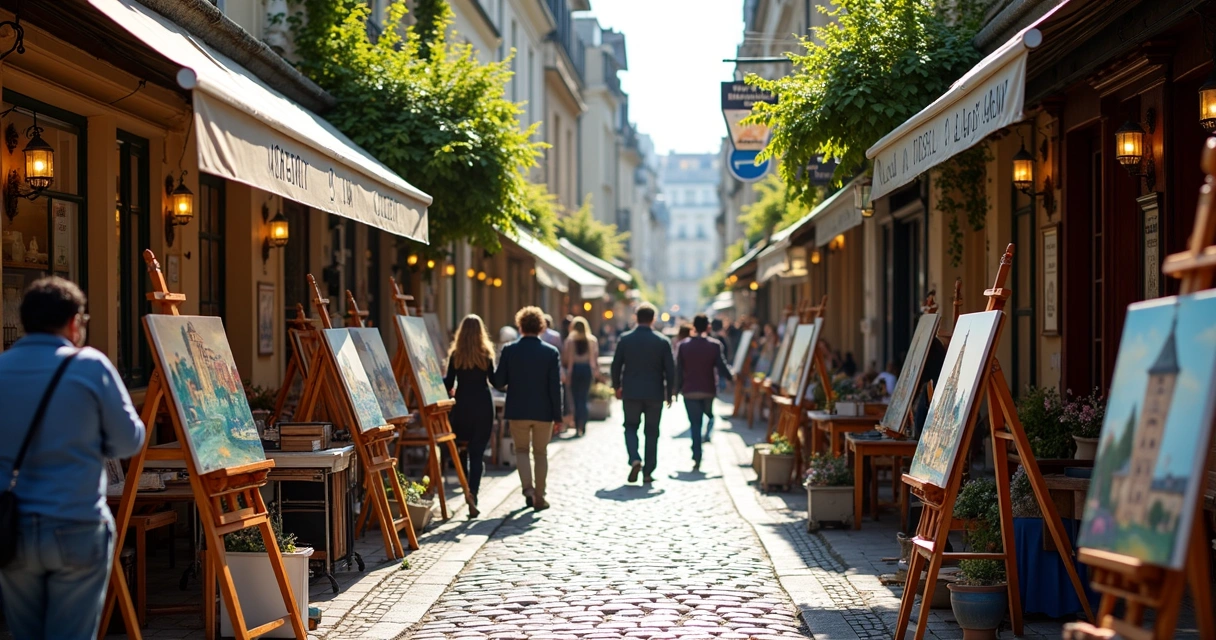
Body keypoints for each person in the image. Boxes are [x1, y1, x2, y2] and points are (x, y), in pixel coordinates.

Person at [0, 277, 146, 639]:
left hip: (12, 527)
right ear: (72, 322)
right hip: (76, 522)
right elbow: (129, 440)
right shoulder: (90, 367)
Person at [494, 306, 563, 510]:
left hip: (518, 410)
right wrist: (558, 416)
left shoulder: (509, 350)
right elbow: (555, 387)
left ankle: (528, 490)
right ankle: (540, 495)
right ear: (541, 326)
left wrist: (491, 369)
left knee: (522, 451)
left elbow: (499, 381)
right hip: (544, 411)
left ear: (520, 326)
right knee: (540, 453)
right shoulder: (550, 352)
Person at [610, 302, 675, 484]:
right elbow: (670, 370)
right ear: (653, 319)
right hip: (655, 393)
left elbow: (616, 365)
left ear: (636, 318)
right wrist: (670, 392)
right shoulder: (662, 341)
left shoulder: (625, 339)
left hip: (631, 392)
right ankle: (648, 471)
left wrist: (616, 386)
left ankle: (634, 458)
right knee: (652, 432)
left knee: (630, 427)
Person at [444, 315, 496, 518]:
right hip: (483, 405)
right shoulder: (486, 354)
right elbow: (495, 380)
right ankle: (473, 493)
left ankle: (466, 490)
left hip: (463, 406)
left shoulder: (456, 355)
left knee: (463, 452)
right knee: (477, 453)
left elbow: (449, 383)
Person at [675, 314, 733, 471]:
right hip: (708, 389)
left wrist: (675, 390)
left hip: (689, 390)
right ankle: (703, 441)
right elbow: (721, 366)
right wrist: (731, 378)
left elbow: (678, 370)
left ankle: (697, 454)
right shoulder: (714, 345)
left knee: (695, 423)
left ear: (693, 326)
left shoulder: (684, 346)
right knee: (708, 415)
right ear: (708, 327)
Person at [563, 317, 601, 437]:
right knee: (583, 398)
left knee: (575, 398)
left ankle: (577, 424)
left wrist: (568, 374)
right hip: (586, 369)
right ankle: (583, 423)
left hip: (575, 369)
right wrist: (596, 372)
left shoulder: (570, 340)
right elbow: (594, 359)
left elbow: (568, 359)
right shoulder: (592, 340)